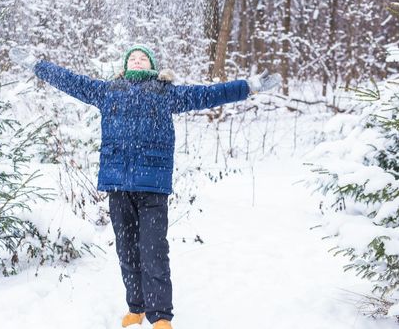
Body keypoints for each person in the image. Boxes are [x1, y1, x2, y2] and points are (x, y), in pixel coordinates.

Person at [32, 44, 281, 329]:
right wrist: (36, 65)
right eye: (132, 58)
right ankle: (135, 308)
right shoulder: (108, 91)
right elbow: (71, 81)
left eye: (143, 58)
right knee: (127, 251)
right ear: (125, 66)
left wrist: (250, 86)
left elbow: (208, 94)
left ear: (152, 65)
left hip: (152, 186)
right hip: (118, 186)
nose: (137, 60)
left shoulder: (166, 93)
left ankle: (160, 316)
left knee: (153, 252)